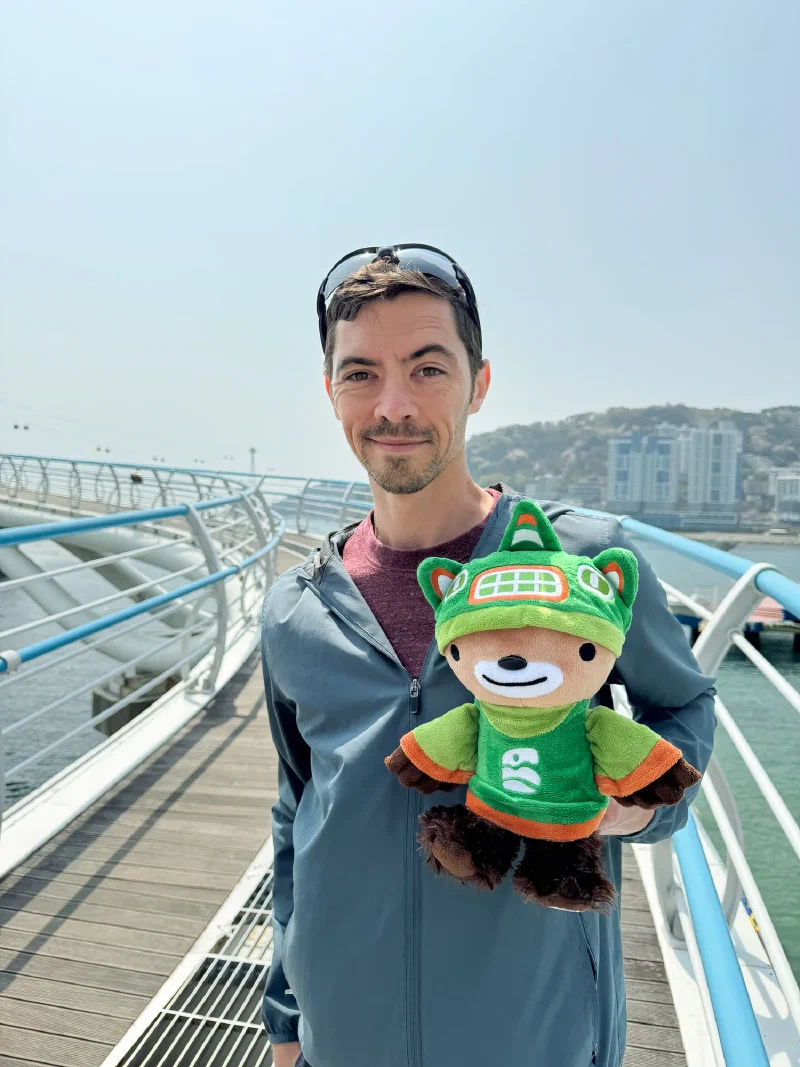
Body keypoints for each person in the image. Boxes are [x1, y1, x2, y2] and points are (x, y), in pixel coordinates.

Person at [261, 245, 716, 1067]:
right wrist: (287, 1015)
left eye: (427, 367)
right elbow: (297, 811)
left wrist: (640, 807)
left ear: (479, 382)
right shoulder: (296, 606)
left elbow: (683, 703)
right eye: (361, 373)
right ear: (332, 393)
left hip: (533, 1032)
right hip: (344, 1030)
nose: (393, 403)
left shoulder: (584, 563)